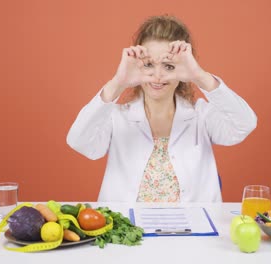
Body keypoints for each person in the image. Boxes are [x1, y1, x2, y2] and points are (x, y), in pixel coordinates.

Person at [67, 15, 257, 203]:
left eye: (168, 66)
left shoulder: (201, 115)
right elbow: (79, 141)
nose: (157, 76)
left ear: (183, 69)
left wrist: (199, 75)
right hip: (128, 228)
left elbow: (244, 124)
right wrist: (118, 82)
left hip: (193, 229)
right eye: (149, 65)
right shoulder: (116, 117)